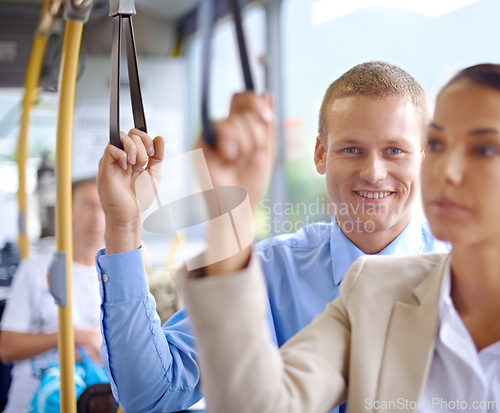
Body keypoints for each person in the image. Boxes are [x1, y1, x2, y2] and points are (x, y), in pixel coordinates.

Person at [95, 61, 448, 412]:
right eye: (351, 149)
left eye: (395, 150)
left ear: (425, 157)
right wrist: (123, 225)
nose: (373, 172)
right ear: (320, 154)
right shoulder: (261, 272)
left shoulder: (461, 280)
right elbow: (150, 394)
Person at [177, 63, 500, 412]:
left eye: (485, 149)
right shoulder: (374, 294)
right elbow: (255, 405)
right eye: (438, 143)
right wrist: (231, 211)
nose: (446, 171)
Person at [0, 178, 105, 413]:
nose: (98, 216)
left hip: (97, 400)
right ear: (66, 212)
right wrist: (76, 336)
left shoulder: (118, 274)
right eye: (88, 205)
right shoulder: (36, 269)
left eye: (103, 206)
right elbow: (7, 348)